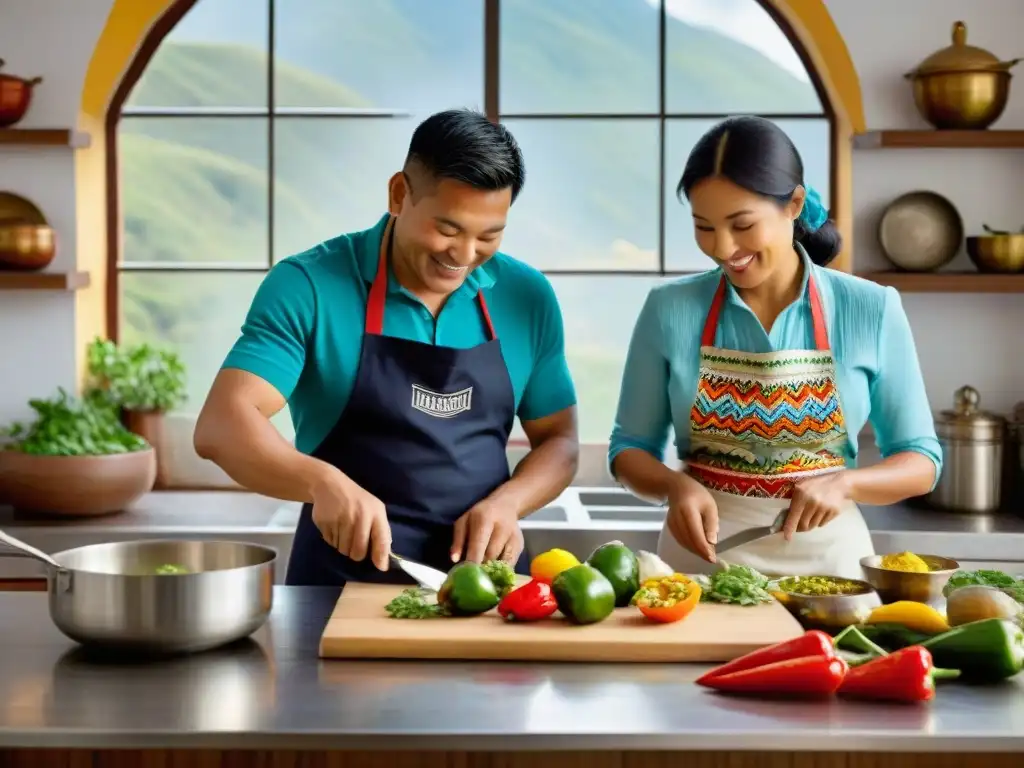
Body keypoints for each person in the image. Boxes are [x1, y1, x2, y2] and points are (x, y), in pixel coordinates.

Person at [194, 109, 579, 587]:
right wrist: (321, 481)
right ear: (400, 194)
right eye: (448, 228)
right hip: (339, 589)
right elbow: (222, 425)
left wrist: (510, 502)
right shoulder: (311, 285)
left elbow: (560, 440)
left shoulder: (527, 297)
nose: (462, 256)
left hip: (489, 590)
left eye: (488, 236)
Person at [608, 116, 942, 580]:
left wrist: (846, 483)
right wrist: (674, 486)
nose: (723, 248)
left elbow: (920, 460)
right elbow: (628, 449)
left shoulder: (870, 307)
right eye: (704, 226)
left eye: (742, 224)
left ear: (794, 204)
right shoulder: (670, 309)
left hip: (829, 570)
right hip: (700, 565)